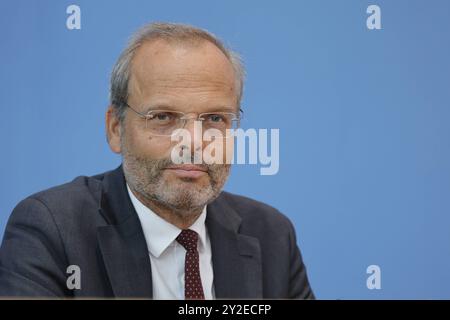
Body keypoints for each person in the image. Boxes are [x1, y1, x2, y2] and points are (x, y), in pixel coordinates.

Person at [0, 22, 314, 299]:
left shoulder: (271, 234)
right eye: (163, 116)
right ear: (115, 129)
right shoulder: (53, 229)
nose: (192, 142)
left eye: (215, 118)